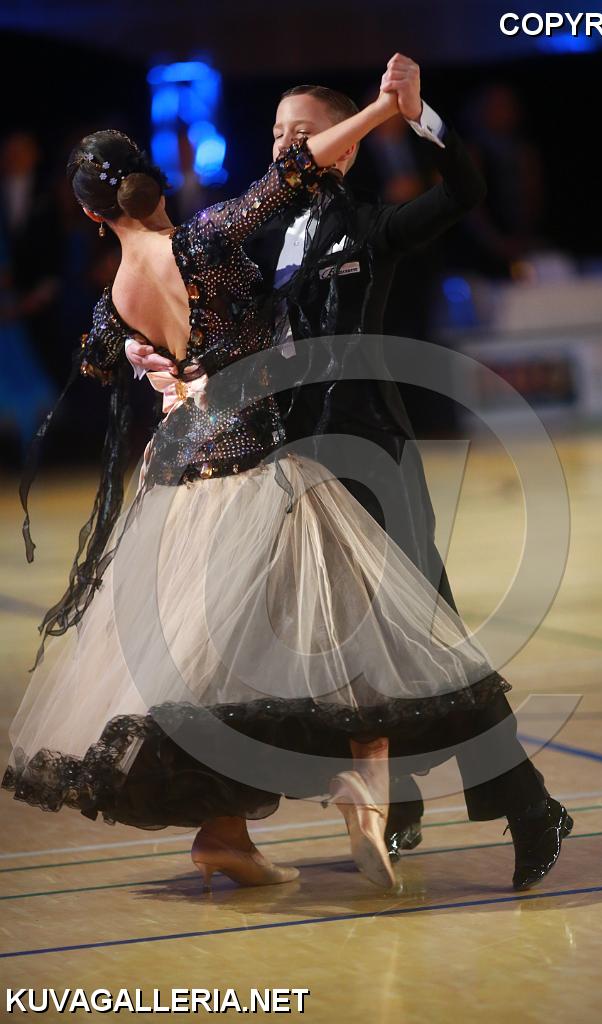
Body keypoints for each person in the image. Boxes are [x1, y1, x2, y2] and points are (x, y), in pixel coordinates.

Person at [2, 85, 524, 896]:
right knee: (350, 636)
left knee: (217, 668)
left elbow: (106, 358)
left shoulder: (115, 298)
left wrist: (152, 360)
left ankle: (225, 834)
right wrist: (383, 110)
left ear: (95, 218)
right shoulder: (204, 240)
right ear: (153, 184)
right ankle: (364, 791)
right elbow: (292, 176)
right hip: (257, 467)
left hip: (179, 488)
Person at [127, 55, 573, 892]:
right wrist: (148, 355)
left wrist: (419, 117)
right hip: (284, 462)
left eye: (301, 133)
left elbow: (466, 192)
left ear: (346, 144)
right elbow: (194, 311)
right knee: (332, 645)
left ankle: (528, 806)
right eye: (276, 133)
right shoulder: (256, 235)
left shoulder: (371, 225)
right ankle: (393, 803)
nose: (284, 146)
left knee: (427, 640)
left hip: (371, 450)